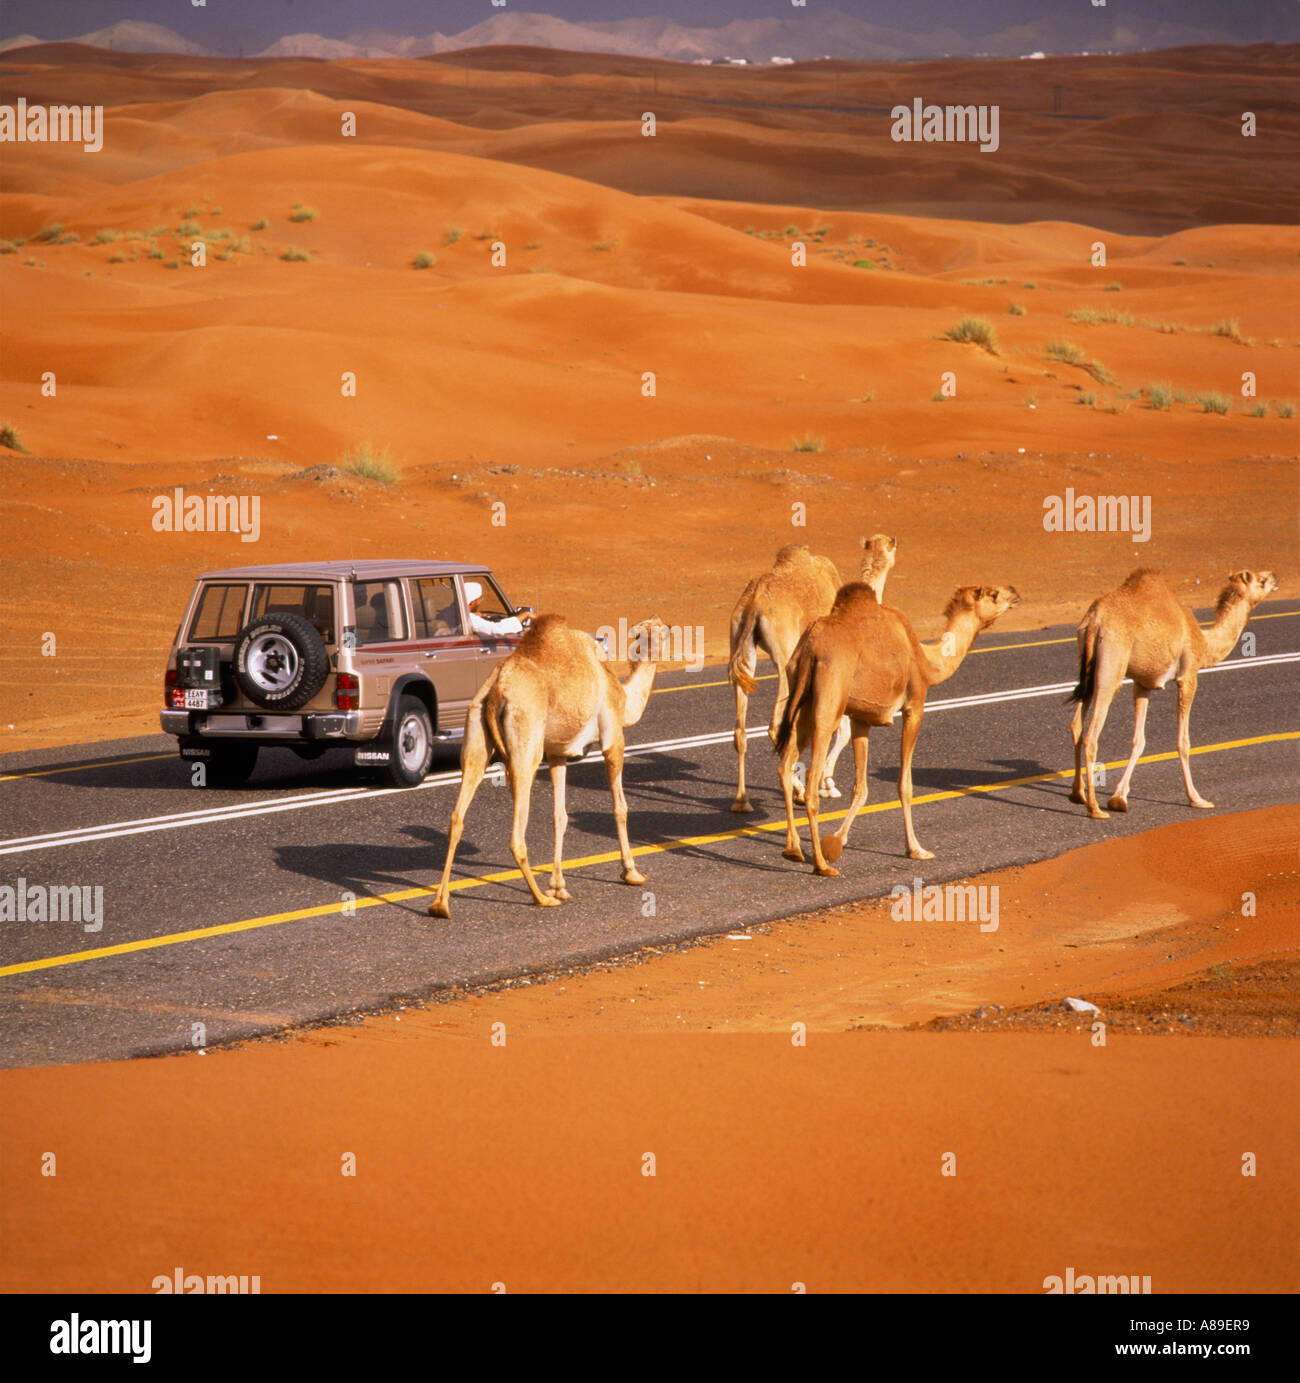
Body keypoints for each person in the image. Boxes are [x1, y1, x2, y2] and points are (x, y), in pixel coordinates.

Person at [464, 580, 533, 637]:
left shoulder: (458, 615)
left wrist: (474, 615)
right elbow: (497, 630)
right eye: (479, 599)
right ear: (472, 602)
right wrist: (524, 615)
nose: (480, 602)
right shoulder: (470, 620)